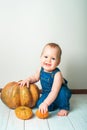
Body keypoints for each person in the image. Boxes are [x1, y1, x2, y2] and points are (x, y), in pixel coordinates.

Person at [18, 43, 71, 116]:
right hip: (47, 93)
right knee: (39, 104)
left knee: (63, 93)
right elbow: (35, 78)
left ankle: (64, 107)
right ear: (41, 57)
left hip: (57, 92)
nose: (48, 60)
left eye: (53, 58)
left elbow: (54, 91)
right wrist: (28, 79)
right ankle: (54, 104)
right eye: (46, 57)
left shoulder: (57, 74)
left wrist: (46, 103)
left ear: (58, 62)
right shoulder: (40, 69)